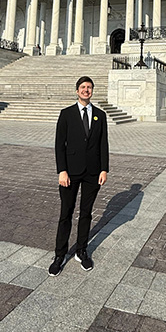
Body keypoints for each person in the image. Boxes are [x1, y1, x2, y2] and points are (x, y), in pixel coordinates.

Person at [48, 76, 109, 276]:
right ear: (77, 91)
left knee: (86, 213)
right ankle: (59, 254)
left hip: (92, 172)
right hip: (70, 172)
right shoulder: (66, 114)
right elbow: (59, 145)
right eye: (83, 87)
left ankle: (82, 250)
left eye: (89, 87)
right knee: (65, 213)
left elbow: (103, 144)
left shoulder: (100, 115)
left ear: (92, 91)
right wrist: (61, 170)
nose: (86, 90)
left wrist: (104, 169)